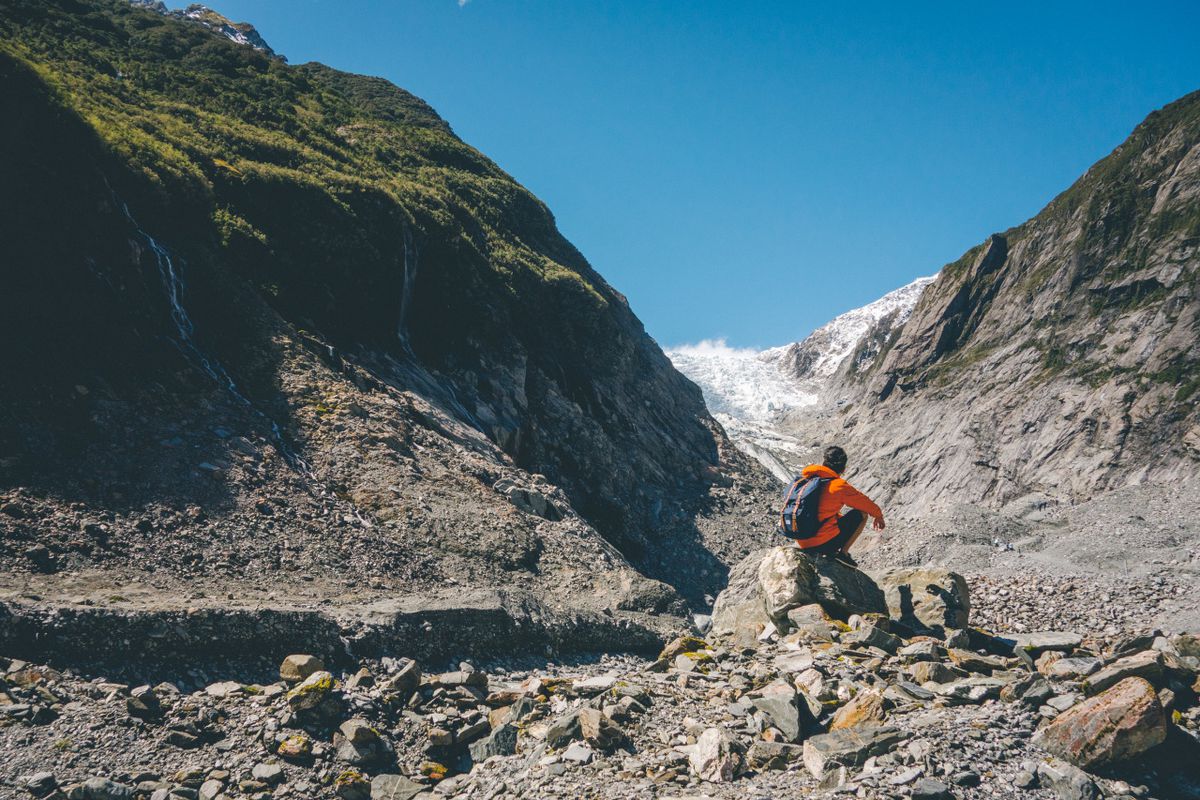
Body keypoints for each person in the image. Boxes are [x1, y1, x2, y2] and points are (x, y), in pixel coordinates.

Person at [793, 445, 885, 565]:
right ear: (843, 468)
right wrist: (878, 515)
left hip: (801, 540)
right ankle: (843, 553)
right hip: (820, 544)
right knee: (862, 514)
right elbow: (865, 504)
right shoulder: (838, 486)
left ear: (824, 462)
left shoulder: (806, 480)